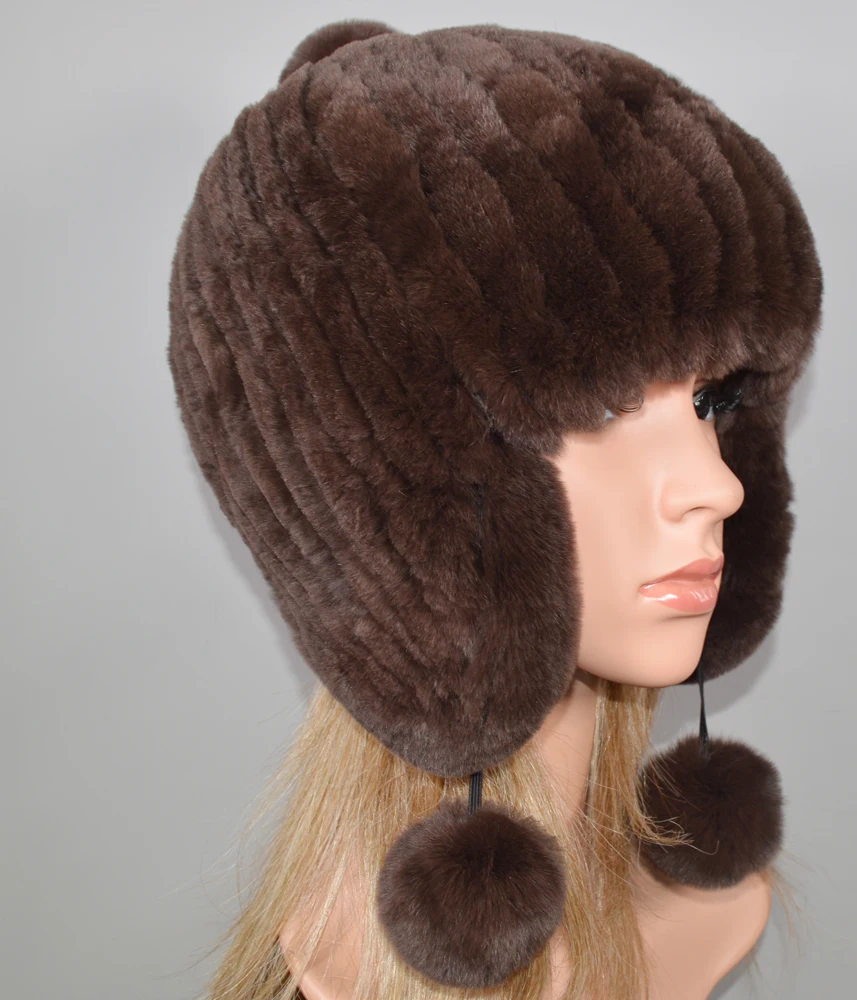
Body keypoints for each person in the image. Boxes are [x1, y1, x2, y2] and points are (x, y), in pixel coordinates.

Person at [167, 19, 823, 1000]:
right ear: (389, 493)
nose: (718, 485)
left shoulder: (712, 903)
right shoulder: (346, 966)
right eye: (606, 405)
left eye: (709, 400)